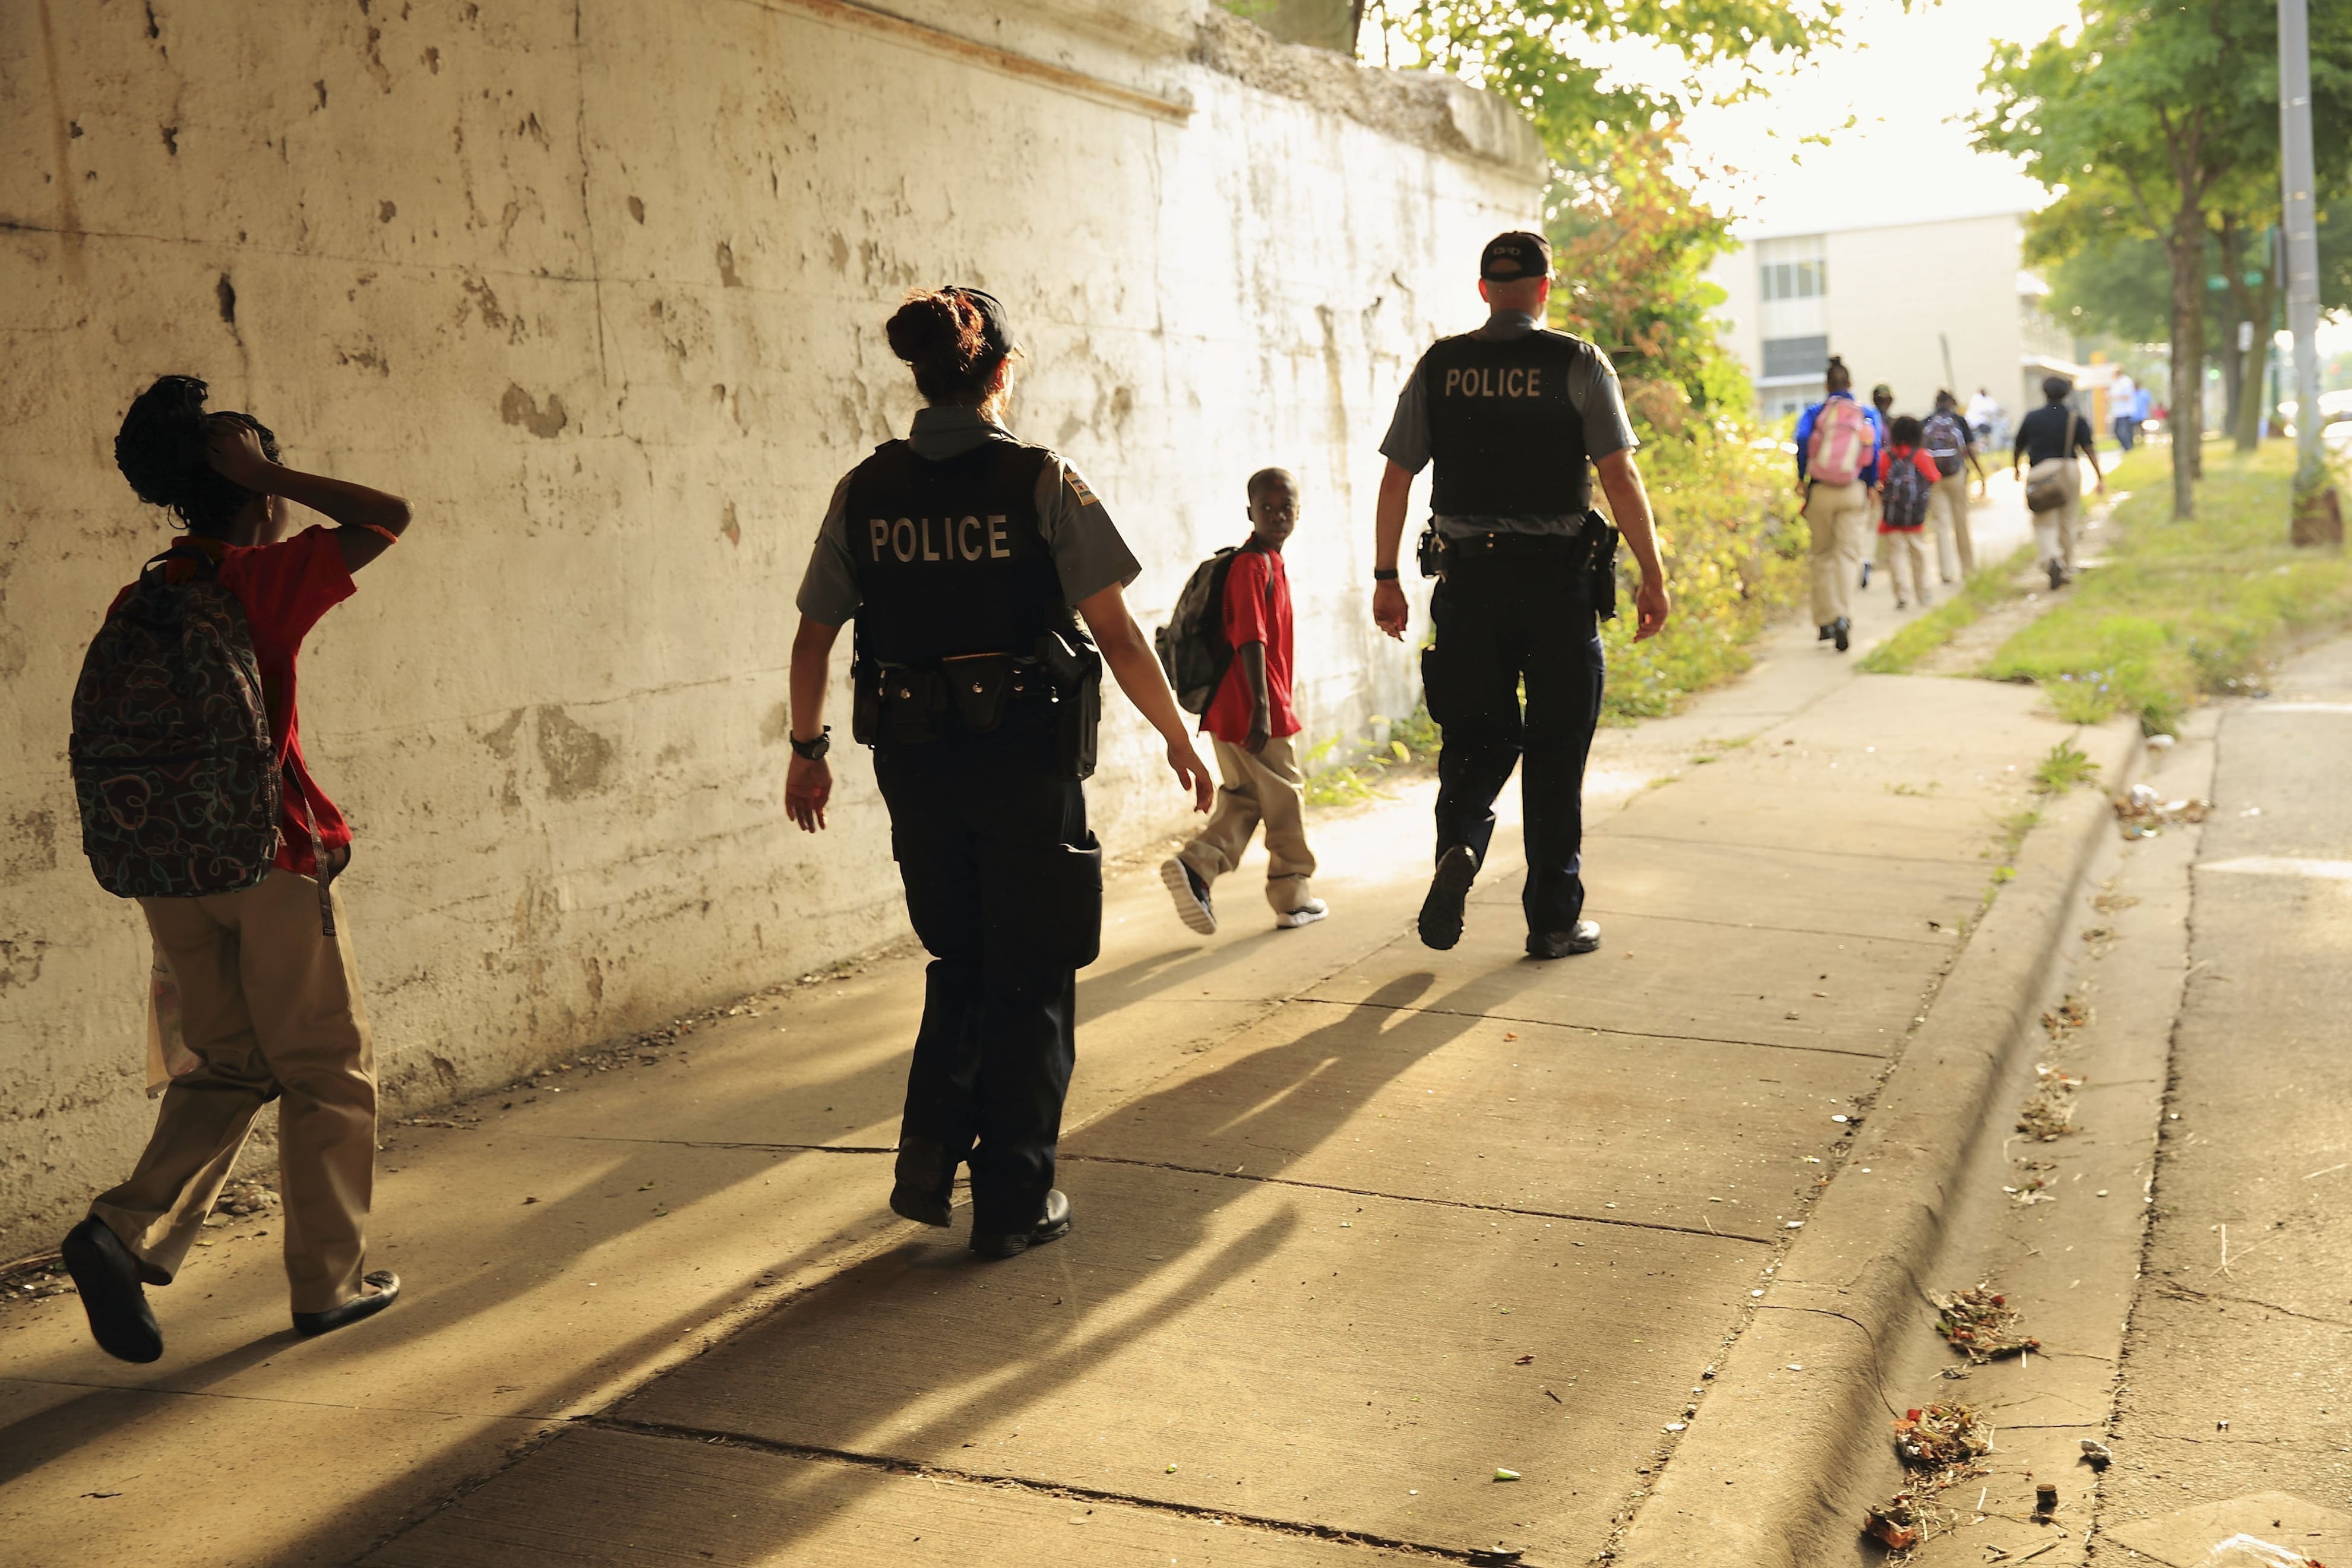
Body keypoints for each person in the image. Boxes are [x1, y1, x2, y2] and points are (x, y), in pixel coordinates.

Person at [787, 286, 1212, 1259]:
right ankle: (1017, 1199)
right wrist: (1178, 736)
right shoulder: (1041, 482)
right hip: (1023, 764)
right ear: (1003, 372)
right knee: (1035, 967)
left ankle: (931, 1156)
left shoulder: (866, 488)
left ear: (923, 375)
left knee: (963, 957)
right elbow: (1116, 632)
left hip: (917, 764)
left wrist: (808, 754)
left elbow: (815, 638)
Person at [62, 376, 412, 1364]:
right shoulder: (262, 580)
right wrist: (269, 469)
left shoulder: (146, 594)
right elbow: (388, 518)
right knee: (328, 1074)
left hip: (166, 869)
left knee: (228, 1065)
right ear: (252, 487)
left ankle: (118, 1233)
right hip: (270, 859)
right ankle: (327, 1290)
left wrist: (247, 474)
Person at [1369, 230, 1670, 960]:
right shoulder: (1579, 362)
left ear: (1483, 291)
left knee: (1474, 739)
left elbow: (1397, 478)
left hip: (1469, 584)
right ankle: (1552, 921)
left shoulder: (1441, 365)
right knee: (1556, 752)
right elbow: (1620, 478)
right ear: (1545, 288)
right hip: (1558, 587)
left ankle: (1463, 848)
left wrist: (1386, 579)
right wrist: (1652, 575)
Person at [1161, 468, 1326, 935]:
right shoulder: (1253, 564)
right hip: (1253, 703)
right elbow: (1249, 636)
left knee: (1246, 797)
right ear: (1249, 513)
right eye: (1267, 508)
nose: (1277, 516)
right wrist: (1262, 706)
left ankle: (1198, 866)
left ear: (1298, 511)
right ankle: (1294, 895)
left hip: (1227, 706)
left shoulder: (1270, 561)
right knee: (1286, 795)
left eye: (1285, 507)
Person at [1793, 357, 1886, 653]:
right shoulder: (1866, 413)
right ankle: (1844, 615)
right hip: (1853, 489)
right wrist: (1871, 484)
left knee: (1822, 555)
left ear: (1826, 384)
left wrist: (1801, 475)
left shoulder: (1816, 412)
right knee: (1848, 555)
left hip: (1821, 491)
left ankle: (1825, 621)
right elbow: (1875, 447)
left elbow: (1804, 437)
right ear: (1850, 383)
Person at [2013, 375, 2104, 590]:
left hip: (2041, 471)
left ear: (2044, 392)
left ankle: (2051, 558)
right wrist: (2099, 476)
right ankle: (2066, 566)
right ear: (2067, 393)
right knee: (2068, 521)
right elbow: (2089, 449)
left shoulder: (2032, 417)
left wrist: (2016, 468)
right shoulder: (2075, 417)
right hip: (2068, 470)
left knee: (2044, 522)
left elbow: (2018, 446)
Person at [1876, 415, 1943, 611]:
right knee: (1918, 554)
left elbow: (1880, 481)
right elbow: (1934, 477)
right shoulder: (1921, 455)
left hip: (1891, 518)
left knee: (1895, 556)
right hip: (1915, 517)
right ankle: (1923, 593)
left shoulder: (1886, 457)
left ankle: (1902, 596)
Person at [1923, 390, 1987, 581]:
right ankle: (1968, 568)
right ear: (1952, 402)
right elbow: (1970, 450)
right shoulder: (1959, 420)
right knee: (1961, 522)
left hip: (1934, 477)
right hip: (1956, 475)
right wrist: (1981, 473)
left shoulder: (1927, 421)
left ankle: (1946, 573)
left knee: (1941, 525)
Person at [1862, 383, 1897, 590]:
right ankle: (1889, 563)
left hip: (1870, 480)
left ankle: (1866, 561)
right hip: (1890, 480)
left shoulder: (1865, 421)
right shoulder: (1894, 425)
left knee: (1869, 524)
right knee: (1890, 524)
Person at [2109, 371, 2139, 452]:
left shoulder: (2126, 382)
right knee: (2117, 431)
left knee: (2126, 431)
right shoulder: (2115, 383)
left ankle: (2129, 448)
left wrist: (2115, 397)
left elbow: (2128, 397)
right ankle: (2127, 448)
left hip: (2126, 412)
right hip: (2118, 412)